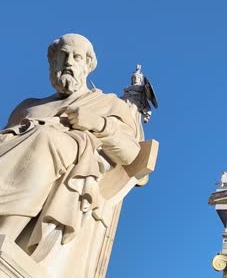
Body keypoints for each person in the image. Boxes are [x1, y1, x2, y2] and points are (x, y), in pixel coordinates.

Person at [0, 34, 142, 253]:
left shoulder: (107, 104)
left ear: (88, 65)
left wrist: (98, 123)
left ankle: (6, 235)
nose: (68, 63)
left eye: (76, 57)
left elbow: (131, 153)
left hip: (57, 156)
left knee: (43, 137)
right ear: (52, 62)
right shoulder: (28, 107)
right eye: (63, 56)